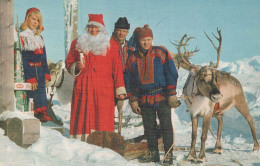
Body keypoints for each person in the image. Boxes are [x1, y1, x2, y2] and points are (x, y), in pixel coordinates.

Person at [125, 24, 180, 165]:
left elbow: (171, 72)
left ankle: (168, 154)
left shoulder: (160, 52)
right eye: (143, 40)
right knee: (149, 127)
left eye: (149, 39)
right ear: (138, 41)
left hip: (162, 96)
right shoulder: (132, 59)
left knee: (166, 126)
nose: (146, 43)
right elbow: (129, 80)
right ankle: (154, 154)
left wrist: (172, 93)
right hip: (144, 98)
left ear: (152, 39)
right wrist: (133, 100)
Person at [65, 14, 126, 141]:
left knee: (102, 115)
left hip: (104, 87)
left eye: (96, 27)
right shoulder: (77, 42)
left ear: (101, 28)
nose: (93, 30)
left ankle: (103, 140)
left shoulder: (111, 44)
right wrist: (76, 66)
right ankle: (82, 140)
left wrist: (119, 88)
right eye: (91, 27)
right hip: (83, 86)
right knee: (83, 114)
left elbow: (117, 68)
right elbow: (69, 62)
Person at [20, 7, 51, 122]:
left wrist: (47, 74)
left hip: (41, 74)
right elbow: (24, 59)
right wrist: (30, 77)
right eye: (33, 19)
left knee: (42, 102)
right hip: (31, 73)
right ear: (27, 19)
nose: (35, 22)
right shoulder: (23, 37)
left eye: (37, 20)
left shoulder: (40, 38)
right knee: (31, 104)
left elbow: (44, 58)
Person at [110, 17, 130, 134]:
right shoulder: (109, 43)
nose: (121, 33)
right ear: (115, 30)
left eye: (124, 31)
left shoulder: (128, 46)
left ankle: (119, 133)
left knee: (121, 108)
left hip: (125, 81)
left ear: (127, 32)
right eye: (119, 30)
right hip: (111, 81)